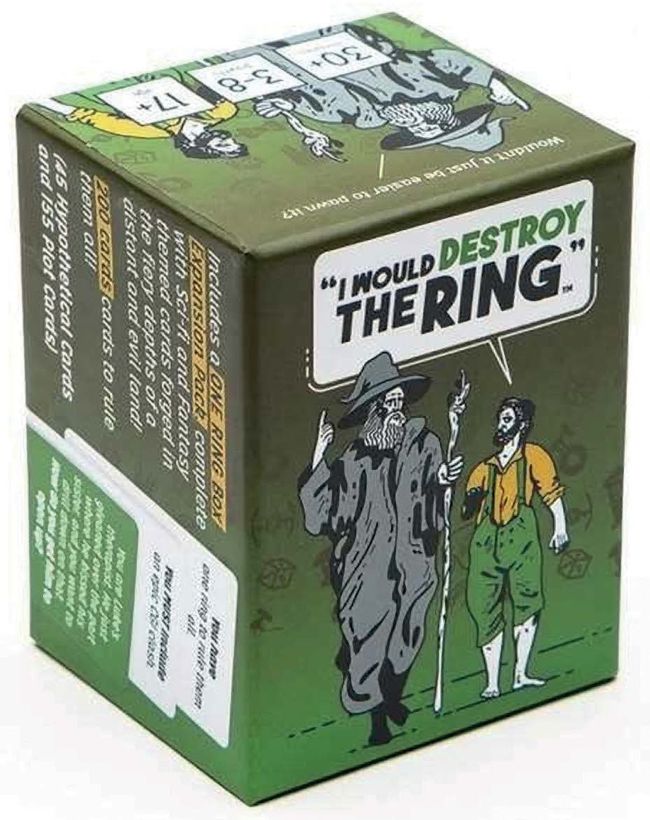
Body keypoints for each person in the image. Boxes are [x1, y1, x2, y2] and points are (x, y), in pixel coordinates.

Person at [298, 352, 464, 745]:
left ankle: (390, 695)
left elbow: (431, 488)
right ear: (373, 410)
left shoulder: (423, 444)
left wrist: (441, 480)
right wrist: (318, 457)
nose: (396, 410)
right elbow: (324, 515)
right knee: (370, 640)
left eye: (399, 402)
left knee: (408, 635)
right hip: (367, 564)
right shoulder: (354, 461)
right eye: (388, 403)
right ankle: (376, 720)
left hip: (413, 559)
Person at [462, 397, 570, 699]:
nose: (501, 424)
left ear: (522, 424)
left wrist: (560, 527)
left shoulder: (534, 456)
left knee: (527, 600)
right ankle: (492, 683)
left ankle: (521, 674)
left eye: (507, 419)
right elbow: (467, 509)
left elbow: (551, 493)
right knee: (483, 605)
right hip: (486, 542)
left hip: (521, 537)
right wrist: (467, 496)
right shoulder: (484, 468)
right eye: (500, 418)